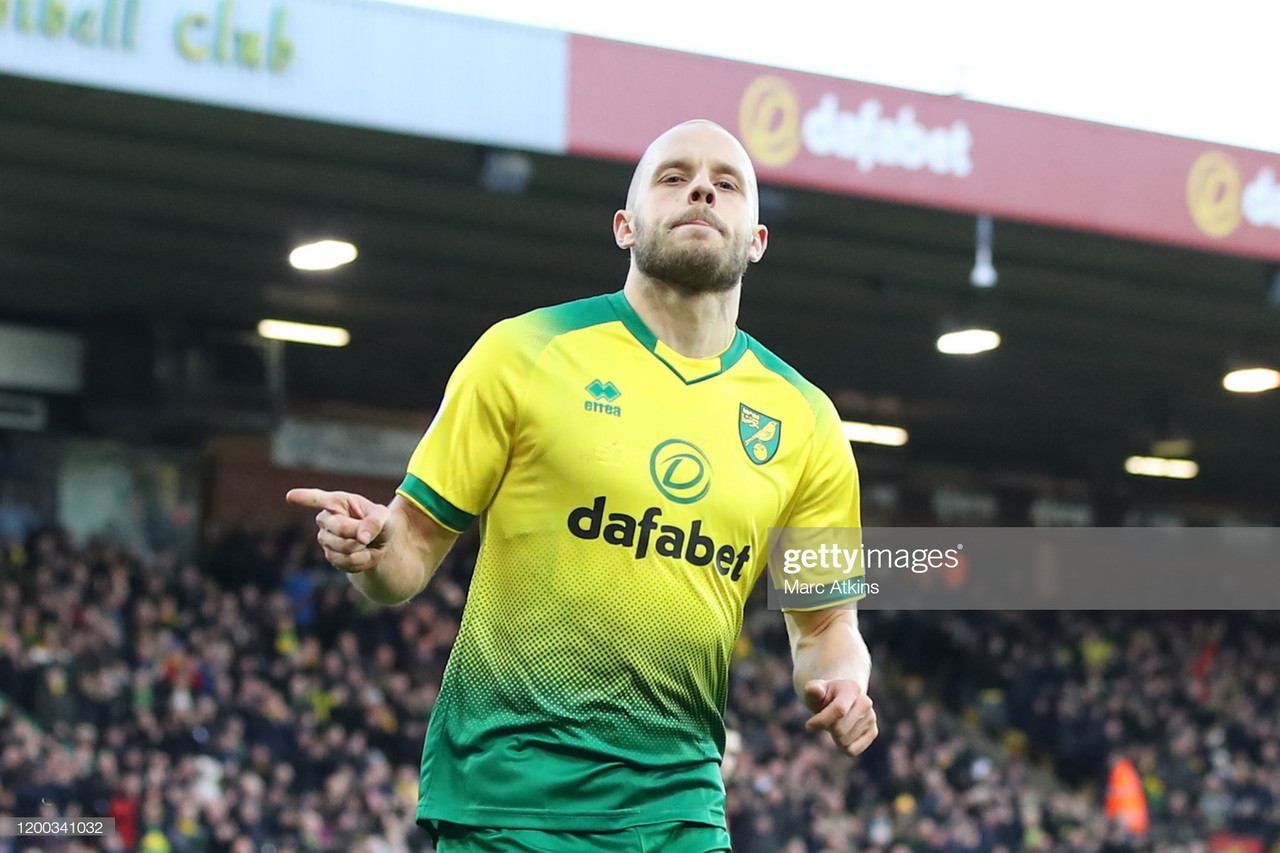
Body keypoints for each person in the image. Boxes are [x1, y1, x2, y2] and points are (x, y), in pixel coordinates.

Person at [287, 119, 878, 853]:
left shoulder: (806, 421)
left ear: (756, 238)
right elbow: (408, 552)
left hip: (679, 812)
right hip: (509, 804)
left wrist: (846, 683)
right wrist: (374, 549)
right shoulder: (522, 353)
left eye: (727, 183)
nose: (701, 188)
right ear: (625, 227)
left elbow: (826, 627)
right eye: (673, 176)